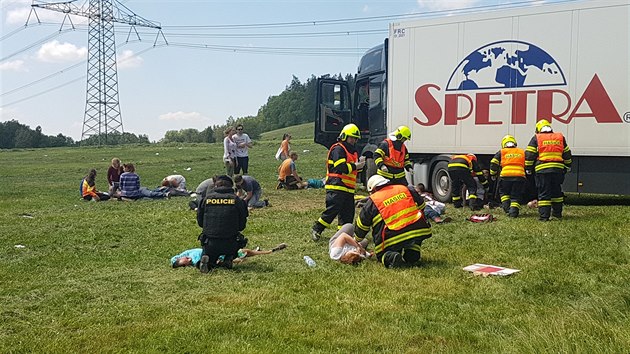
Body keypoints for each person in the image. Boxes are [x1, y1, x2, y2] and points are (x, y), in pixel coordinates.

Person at [355, 175, 432, 268]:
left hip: (392, 237)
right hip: (417, 230)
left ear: (373, 189)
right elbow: (422, 206)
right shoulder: (405, 188)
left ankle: (391, 257)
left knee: (381, 255)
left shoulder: (373, 200)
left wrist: (357, 240)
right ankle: (412, 254)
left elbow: (362, 225)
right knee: (414, 239)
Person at [311, 123, 366, 241]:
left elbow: (352, 169)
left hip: (348, 188)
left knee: (347, 214)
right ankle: (317, 228)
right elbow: (340, 167)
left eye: (355, 139)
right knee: (333, 210)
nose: (353, 141)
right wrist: (355, 166)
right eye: (351, 138)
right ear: (344, 136)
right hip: (336, 185)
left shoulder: (353, 152)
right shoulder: (338, 148)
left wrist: (360, 165)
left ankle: (342, 235)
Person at [197, 175, 249, 273]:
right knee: (239, 242)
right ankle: (228, 258)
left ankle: (208, 261)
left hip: (210, 242)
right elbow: (242, 225)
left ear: (215, 186)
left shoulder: (206, 199)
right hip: (230, 242)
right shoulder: (237, 200)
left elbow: (200, 222)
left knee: (210, 253)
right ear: (231, 187)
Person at [525, 119, 572, 221]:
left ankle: (544, 217)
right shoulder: (560, 137)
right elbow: (567, 153)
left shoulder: (536, 138)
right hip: (558, 170)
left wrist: (528, 168)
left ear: (538, 129)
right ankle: (557, 214)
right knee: (556, 192)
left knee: (544, 193)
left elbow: (529, 154)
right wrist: (568, 166)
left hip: (542, 170)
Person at [490, 135, 527, 217]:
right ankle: (513, 213)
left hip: (505, 176)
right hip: (519, 176)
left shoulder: (502, 152)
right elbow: (527, 162)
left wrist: (493, 173)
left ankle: (507, 210)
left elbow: (493, 162)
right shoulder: (521, 151)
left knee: (504, 193)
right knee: (516, 195)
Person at [171, 243, 287, 268]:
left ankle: (266, 251)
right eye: (187, 261)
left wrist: (176, 262)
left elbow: (173, 261)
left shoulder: (181, 256)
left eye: (185, 259)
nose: (188, 258)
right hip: (218, 254)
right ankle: (270, 251)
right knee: (244, 253)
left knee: (245, 253)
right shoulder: (195, 260)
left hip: (215, 250)